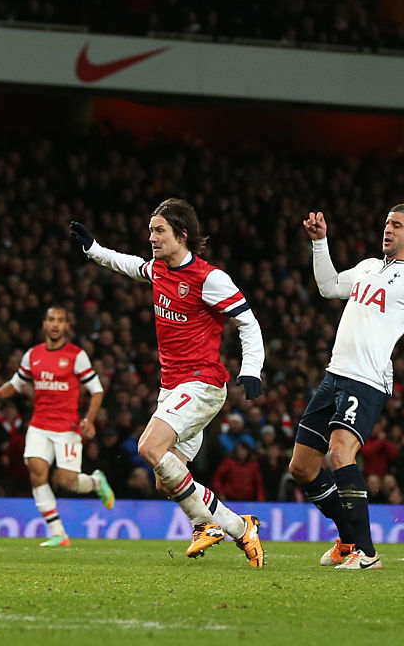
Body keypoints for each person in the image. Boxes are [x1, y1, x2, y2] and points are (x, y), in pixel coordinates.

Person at [69, 198, 266, 566]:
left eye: (159, 230)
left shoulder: (210, 278)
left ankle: (208, 524)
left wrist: (252, 368)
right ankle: (240, 528)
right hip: (173, 387)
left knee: (149, 448)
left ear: (182, 234)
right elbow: (127, 265)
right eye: (150, 231)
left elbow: (248, 323)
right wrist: (94, 250)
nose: (152, 237)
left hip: (202, 384)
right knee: (165, 480)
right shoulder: (159, 269)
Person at [290, 205, 404, 570]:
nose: (388, 230)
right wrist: (320, 243)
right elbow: (329, 287)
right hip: (334, 375)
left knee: (340, 453)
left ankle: (367, 552)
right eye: (386, 224)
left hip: (367, 379)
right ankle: (348, 542)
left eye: (397, 225)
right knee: (301, 467)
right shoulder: (367, 267)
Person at [0, 305, 114, 546]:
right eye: (51, 319)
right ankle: (58, 533)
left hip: (67, 427)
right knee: (37, 472)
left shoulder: (76, 355)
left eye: (60, 320)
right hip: (39, 425)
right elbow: (16, 383)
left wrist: (89, 419)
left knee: (67, 482)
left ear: (67, 326)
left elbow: (97, 390)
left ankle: (95, 482)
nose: (55, 324)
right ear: (44, 324)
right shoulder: (33, 355)